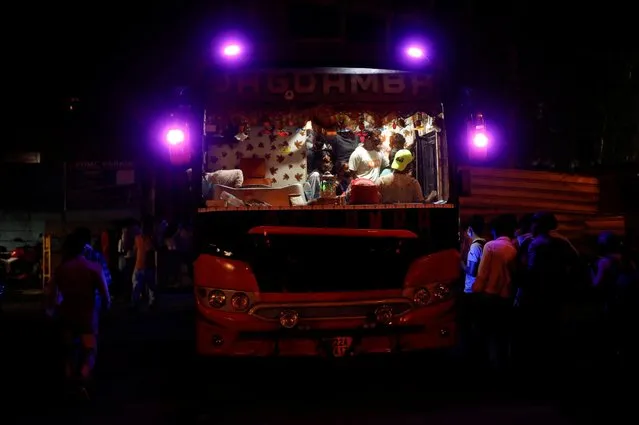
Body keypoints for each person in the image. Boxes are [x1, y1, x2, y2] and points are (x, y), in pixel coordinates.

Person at [46, 233, 110, 396]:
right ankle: (82, 377)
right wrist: (104, 311)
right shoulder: (94, 268)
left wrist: (51, 312)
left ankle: (69, 383)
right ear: (84, 249)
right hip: (87, 317)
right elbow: (105, 297)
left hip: (67, 315)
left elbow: (52, 297)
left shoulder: (61, 270)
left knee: (68, 352)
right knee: (90, 350)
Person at [472, 214, 518, 370]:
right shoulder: (514, 247)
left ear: (495, 229)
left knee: (485, 334)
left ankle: (488, 366)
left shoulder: (490, 246)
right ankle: (503, 365)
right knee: (503, 335)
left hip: (489, 297)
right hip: (507, 298)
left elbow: (482, 273)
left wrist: (475, 290)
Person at [131, 218, 157, 310]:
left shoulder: (141, 238)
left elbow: (136, 250)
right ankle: (151, 303)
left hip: (141, 266)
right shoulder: (149, 238)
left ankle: (136, 304)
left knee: (137, 286)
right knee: (150, 287)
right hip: (145, 266)